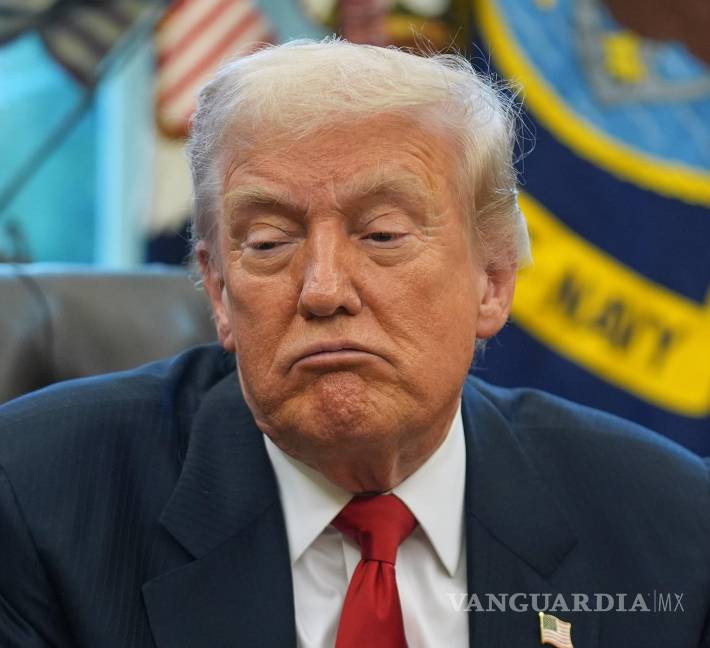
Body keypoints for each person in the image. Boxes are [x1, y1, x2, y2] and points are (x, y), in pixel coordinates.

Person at [0, 38, 708, 648]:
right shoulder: (36, 501)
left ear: (492, 281)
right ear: (218, 292)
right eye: (268, 242)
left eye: (382, 235)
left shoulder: (670, 526)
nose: (323, 289)